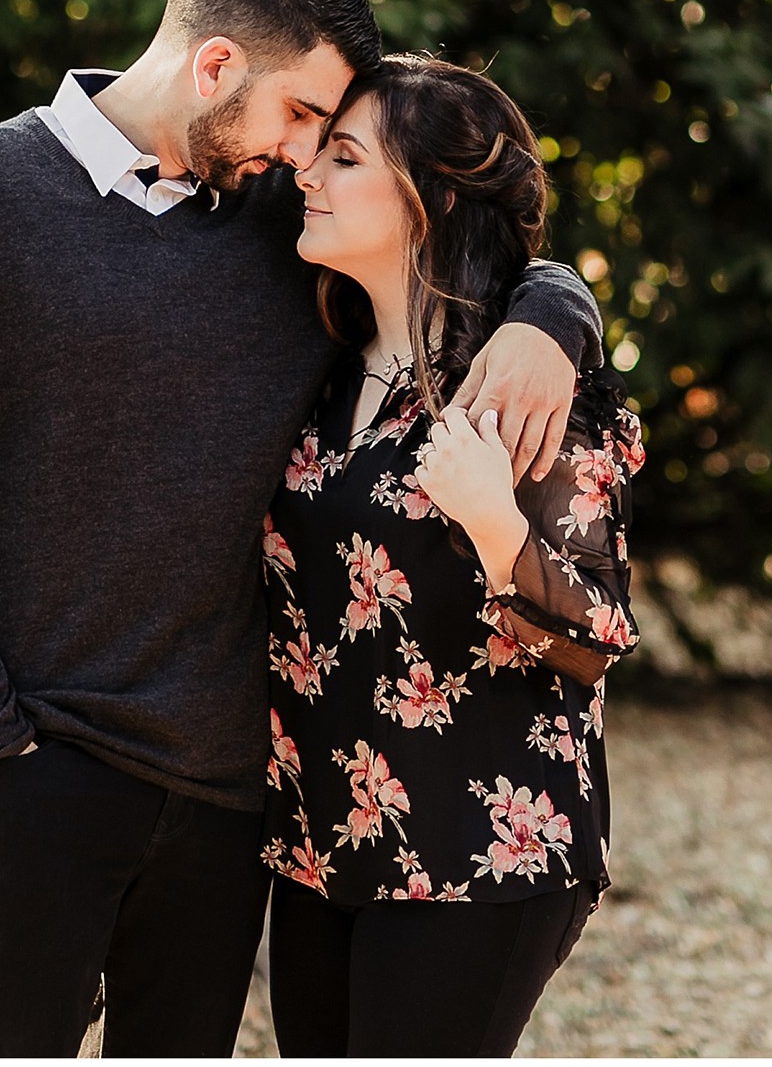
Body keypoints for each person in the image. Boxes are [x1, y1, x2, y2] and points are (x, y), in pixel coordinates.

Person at [0, 0, 604, 1057]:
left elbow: (447, 231)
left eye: (327, 138)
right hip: (31, 774)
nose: (304, 155)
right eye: (299, 117)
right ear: (216, 65)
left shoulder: (284, 225)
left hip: (230, 804)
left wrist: (554, 310)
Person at [260, 53, 643, 1058]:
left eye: (344, 157)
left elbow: (594, 638)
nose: (309, 173)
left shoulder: (532, 392)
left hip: (481, 853)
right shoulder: (319, 367)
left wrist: (492, 523)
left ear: (428, 198)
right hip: (319, 843)